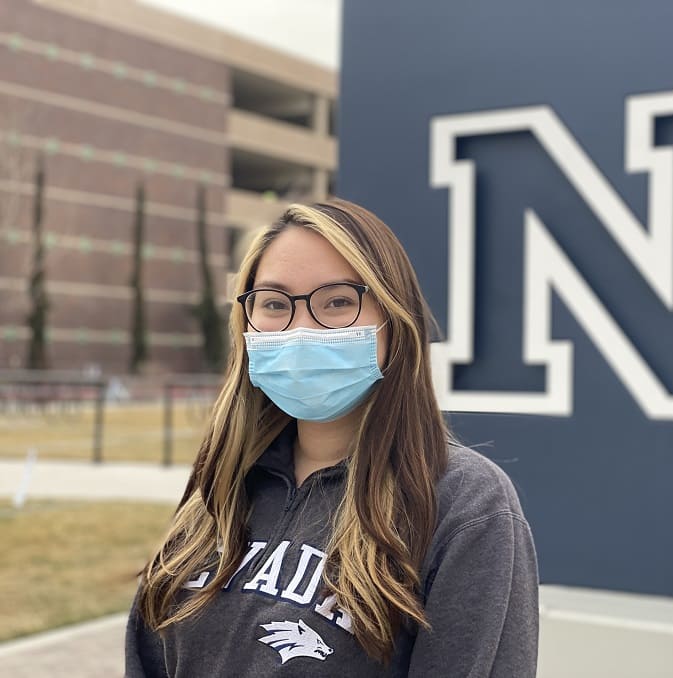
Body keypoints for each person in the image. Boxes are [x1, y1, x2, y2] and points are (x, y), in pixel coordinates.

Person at [125, 199, 539, 677]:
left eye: (338, 301)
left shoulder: (464, 505)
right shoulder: (219, 490)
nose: (302, 328)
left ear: (393, 320)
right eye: (275, 304)